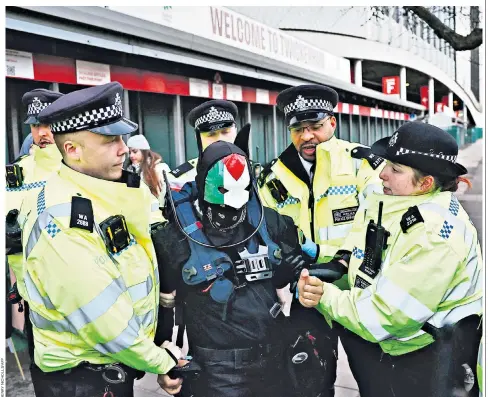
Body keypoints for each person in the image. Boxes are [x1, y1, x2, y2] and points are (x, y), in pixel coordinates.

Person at [18, 82, 181, 397]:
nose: (123, 148)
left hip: (108, 371)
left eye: (122, 137)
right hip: (82, 382)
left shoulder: (102, 189)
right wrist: (163, 361)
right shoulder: (62, 221)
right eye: (110, 140)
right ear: (73, 150)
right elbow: (105, 321)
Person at [298, 121, 483, 397]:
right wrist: (333, 260)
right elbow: (368, 250)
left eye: (396, 170)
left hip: (426, 362)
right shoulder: (396, 199)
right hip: (388, 350)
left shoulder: (434, 235)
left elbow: (385, 315)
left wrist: (323, 296)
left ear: (426, 183)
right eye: (386, 163)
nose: (383, 174)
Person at [156, 127, 312, 397]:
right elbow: (162, 308)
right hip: (215, 371)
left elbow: (286, 280)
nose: (230, 215)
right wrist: (163, 358)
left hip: (275, 360)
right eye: (222, 208)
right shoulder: (173, 240)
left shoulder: (272, 223)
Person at [257, 84, 384, 396]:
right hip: (305, 296)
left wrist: (330, 255)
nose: (307, 136)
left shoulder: (361, 165)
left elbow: (379, 224)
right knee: (309, 382)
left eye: (315, 126)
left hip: (358, 293)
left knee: (376, 381)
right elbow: (266, 230)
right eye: (298, 129)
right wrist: (281, 257)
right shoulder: (274, 176)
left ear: (333, 123)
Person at [6, 88, 64, 362]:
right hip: (31, 291)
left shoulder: (77, 165)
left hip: (72, 284)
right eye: (35, 125)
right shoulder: (17, 171)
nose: (42, 133)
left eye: (47, 124)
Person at [166, 99, 245, 192]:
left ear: (236, 130)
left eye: (225, 132)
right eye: (211, 134)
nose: (220, 139)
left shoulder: (256, 173)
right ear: (197, 137)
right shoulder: (179, 180)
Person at [126, 134, 170, 207]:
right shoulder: (130, 169)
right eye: (129, 152)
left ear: (144, 152)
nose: (131, 155)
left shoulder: (159, 168)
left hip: (158, 212)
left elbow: (164, 195)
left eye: (135, 151)